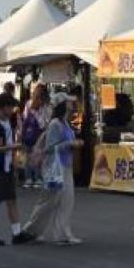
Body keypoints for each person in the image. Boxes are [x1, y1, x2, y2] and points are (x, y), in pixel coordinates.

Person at [23, 94, 83, 245]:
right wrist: (70, 144)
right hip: (56, 167)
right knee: (49, 201)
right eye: (68, 101)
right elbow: (50, 148)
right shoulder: (56, 124)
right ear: (63, 104)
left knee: (66, 201)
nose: (71, 103)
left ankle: (61, 234)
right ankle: (31, 230)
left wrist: (71, 143)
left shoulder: (64, 122)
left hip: (64, 166)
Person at [0, 93, 34, 246]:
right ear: (2, 107)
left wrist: (14, 163)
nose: (12, 110)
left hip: (6, 167)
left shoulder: (7, 123)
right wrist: (11, 147)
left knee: (11, 200)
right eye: (9, 107)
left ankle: (17, 233)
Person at [21, 83, 51, 189]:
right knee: (39, 156)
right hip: (40, 133)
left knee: (29, 157)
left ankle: (29, 179)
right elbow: (47, 121)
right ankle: (38, 178)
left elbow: (25, 119)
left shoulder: (28, 104)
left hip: (29, 134)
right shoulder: (46, 105)